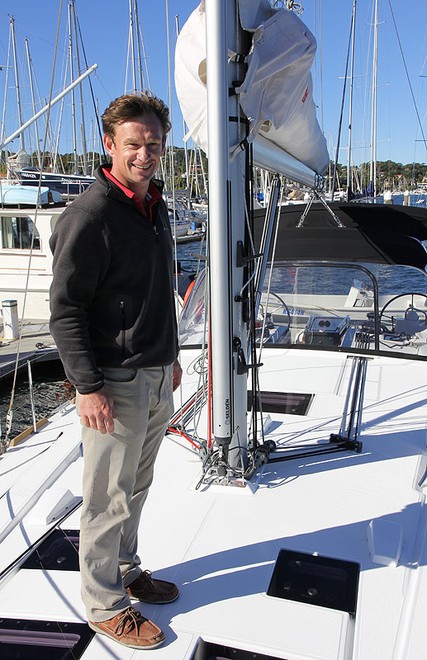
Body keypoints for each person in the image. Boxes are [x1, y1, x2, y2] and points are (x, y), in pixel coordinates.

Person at [49, 92, 182, 650]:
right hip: (114, 383)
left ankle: (126, 568)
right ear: (110, 145)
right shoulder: (93, 214)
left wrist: (170, 356)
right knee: (107, 496)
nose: (145, 154)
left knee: (138, 485)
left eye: (153, 143)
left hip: (154, 375)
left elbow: (157, 290)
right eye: (134, 144)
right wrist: (88, 386)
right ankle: (104, 604)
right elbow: (66, 309)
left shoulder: (156, 205)